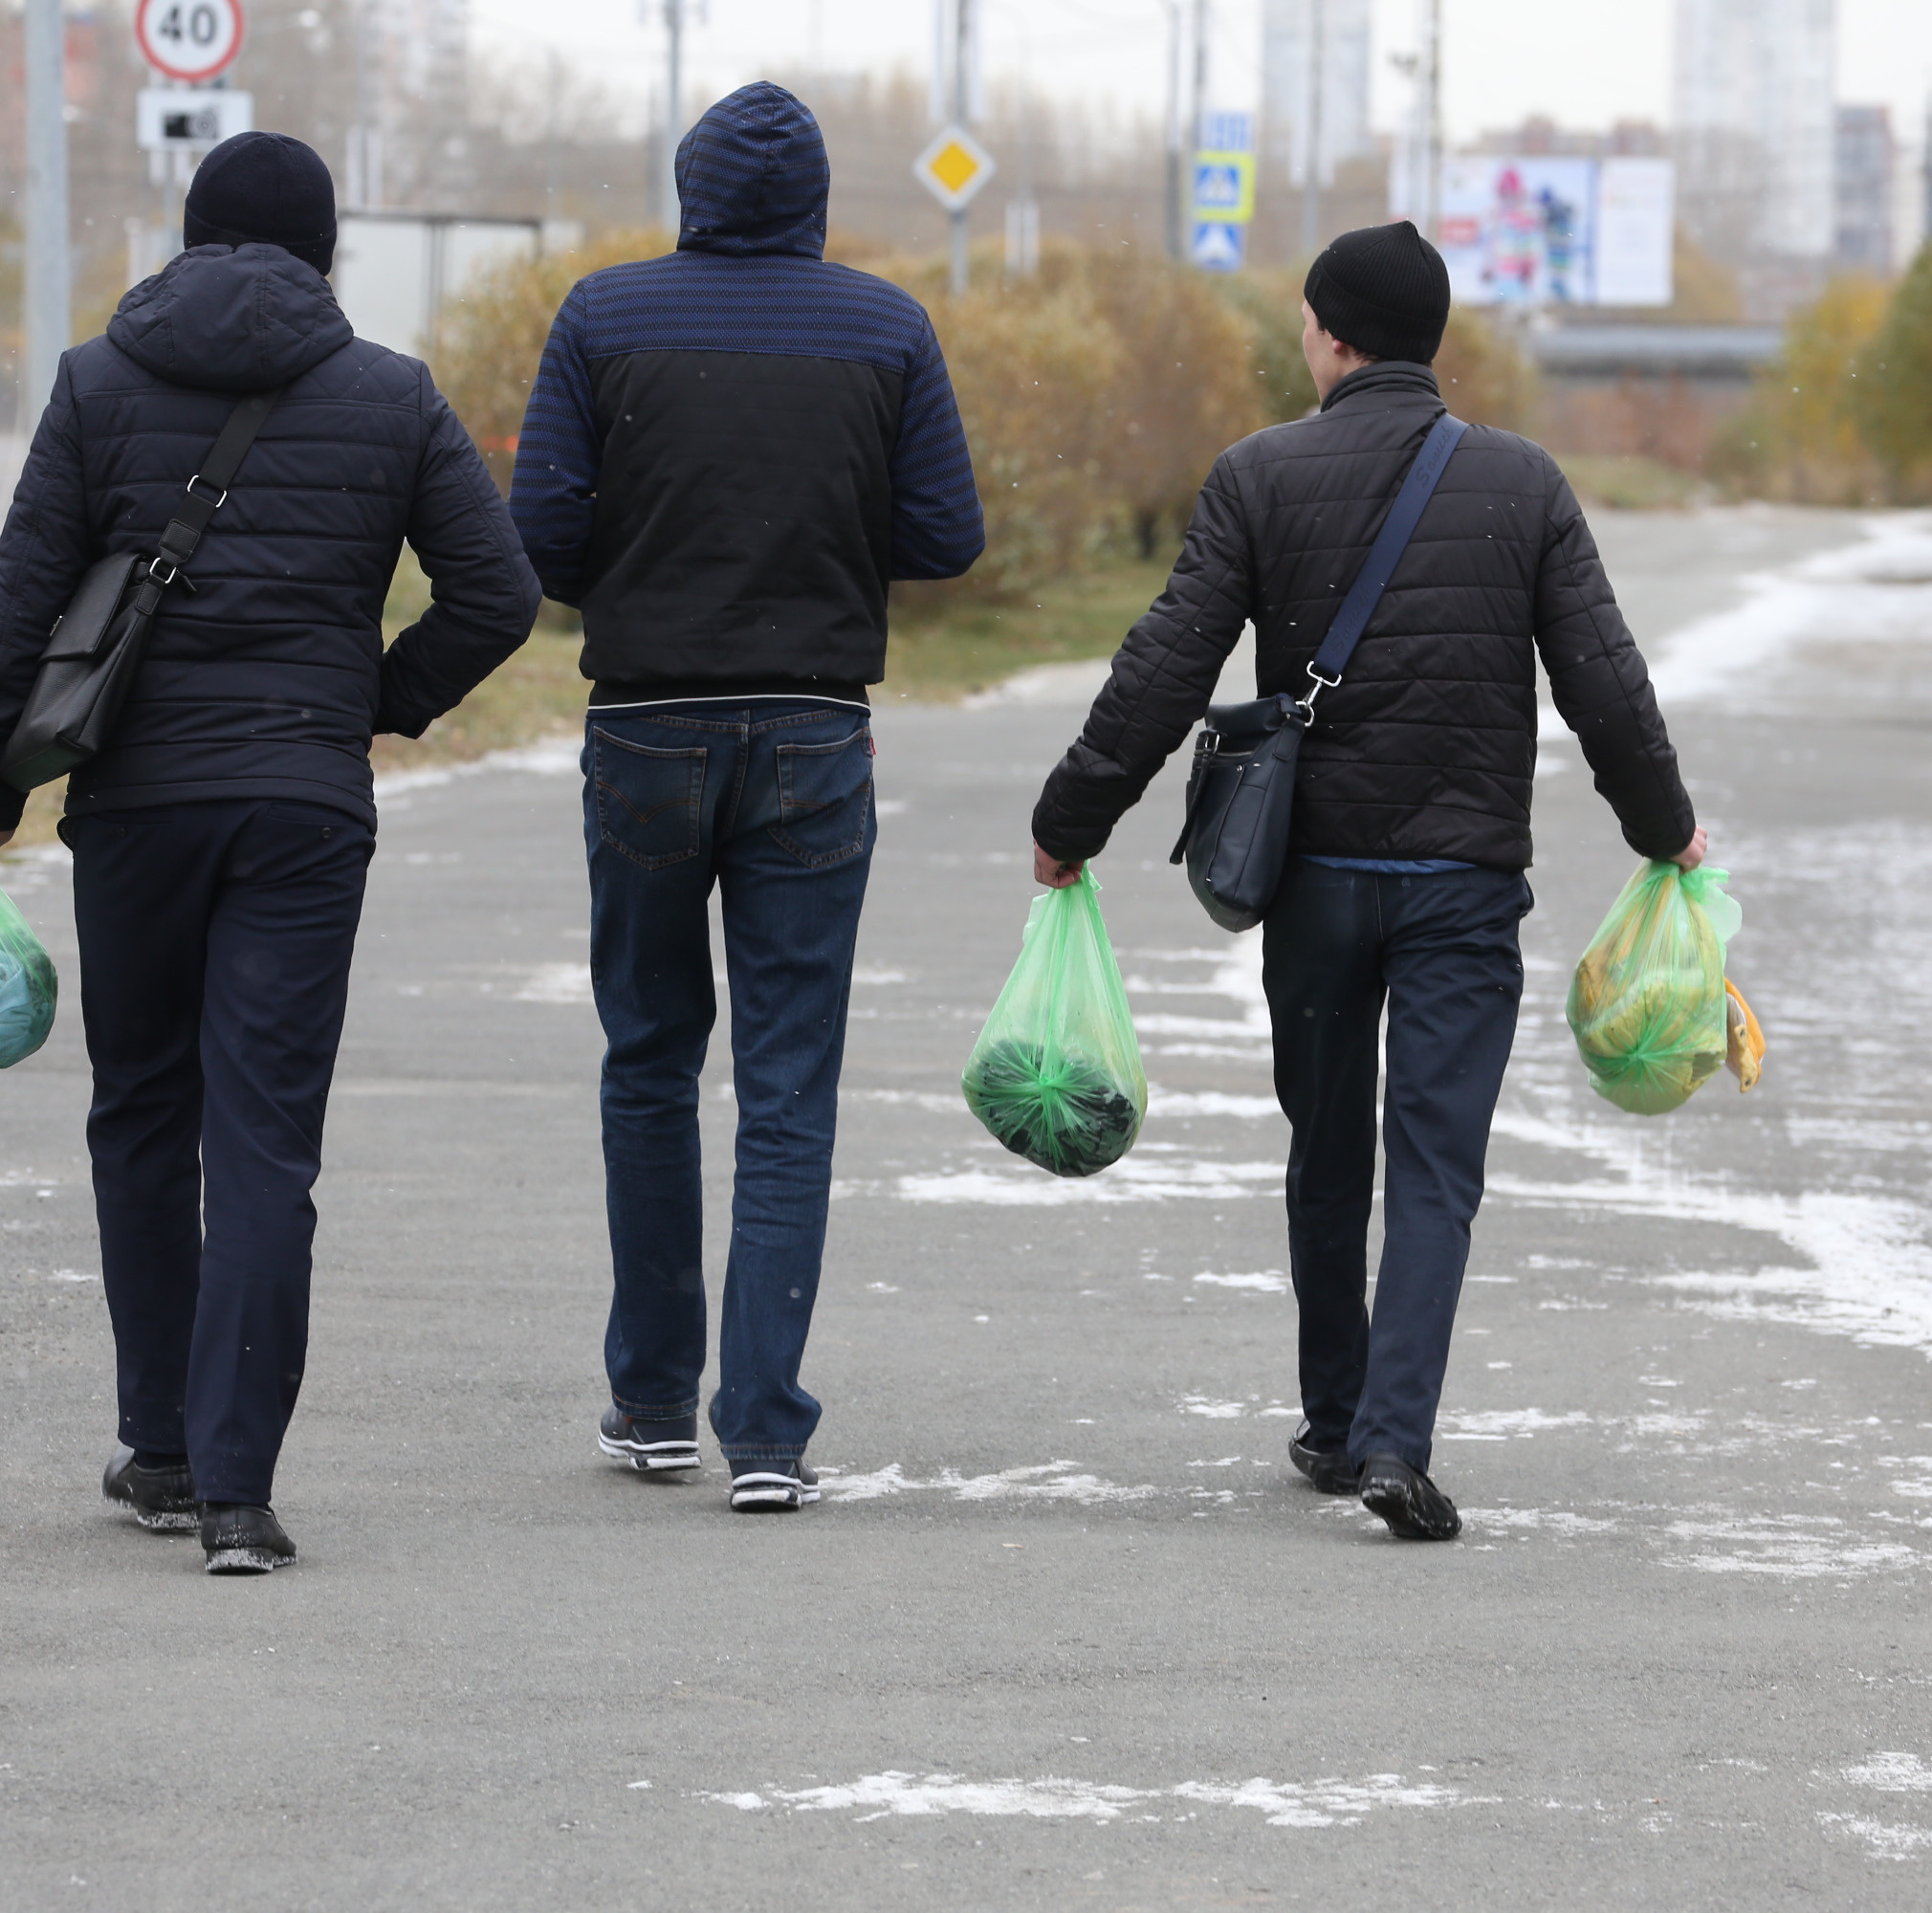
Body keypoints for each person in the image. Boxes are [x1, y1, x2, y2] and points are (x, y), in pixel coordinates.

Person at [1026, 221, 1706, 1543]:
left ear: (1334, 335)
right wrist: (1663, 826)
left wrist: (1075, 815)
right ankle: (1396, 1438)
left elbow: (1164, 664)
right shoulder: (1523, 483)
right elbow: (1603, 684)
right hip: (1461, 886)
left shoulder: (1257, 475)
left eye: (1303, 322)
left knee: (1329, 1148)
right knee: (1436, 1166)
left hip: (1320, 884)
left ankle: (1336, 1423)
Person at [0, 132, 543, 1572]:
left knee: (143, 1111)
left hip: (137, 809)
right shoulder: (390, 396)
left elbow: (22, 616)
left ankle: (157, 1446)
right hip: (301, 808)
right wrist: (370, 704)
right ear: (325, 251)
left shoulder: (97, 381)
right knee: (264, 1138)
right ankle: (234, 1492)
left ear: (191, 240)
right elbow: (501, 594)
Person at [508, 83, 982, 1512]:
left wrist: (644, 579)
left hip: (645, 725)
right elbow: (946, 533)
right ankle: (766, 1430)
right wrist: (826, 550)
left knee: (649, 1059)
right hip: (816, 733)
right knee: (789, 1084)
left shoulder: (604, 315)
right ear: (816, 201)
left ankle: (652, 1402)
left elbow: (536, 530)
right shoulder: (887, 328)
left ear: (692, 187)